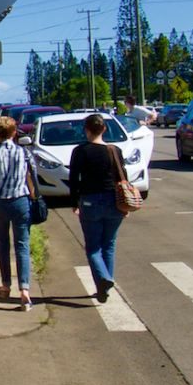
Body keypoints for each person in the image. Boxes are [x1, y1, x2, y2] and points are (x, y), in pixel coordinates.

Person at [68, 114, 131, 303]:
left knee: (93, 247)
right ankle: (106, 284)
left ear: (86, 130)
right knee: (109, 246)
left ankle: (103, 280)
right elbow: (123, 177)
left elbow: (74, 179)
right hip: (113, 200)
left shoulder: (80, 151)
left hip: (89, 201)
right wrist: (125, 204)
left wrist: (74, 201)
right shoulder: (114, 150)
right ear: (104, 130)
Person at [0, 115, 35, 311]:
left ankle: (6, 285)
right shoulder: (24, 153)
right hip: (21, 201)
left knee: (3, 244)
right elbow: (33, 177)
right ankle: (25, 291)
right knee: (22, 245)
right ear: (14, 133)